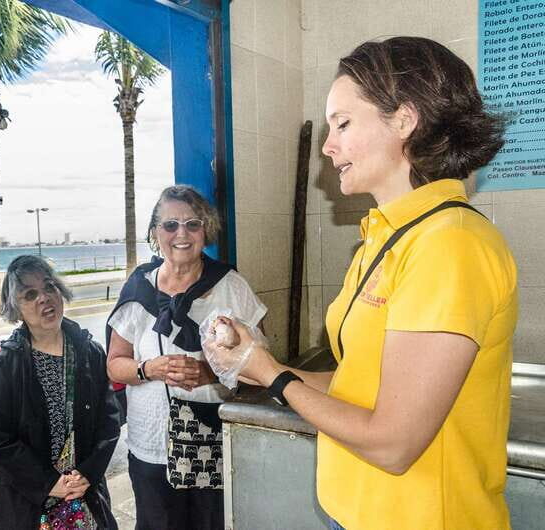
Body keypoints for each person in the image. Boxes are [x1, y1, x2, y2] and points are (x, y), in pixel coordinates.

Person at [205, 37, 517, 530]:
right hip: (353, 512)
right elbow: (358, 386)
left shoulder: (450, 245)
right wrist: (257, 363)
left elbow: (394, 444)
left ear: (404, 121)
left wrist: (273, 377)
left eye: (343, 123)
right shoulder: (384, 238)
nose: (328, 147)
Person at [106, 185, 267, 530]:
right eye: (170, 225)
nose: (181, 233)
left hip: (211, 440)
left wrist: (209, 373)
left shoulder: (231, 285)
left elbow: (263, 358)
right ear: (155, 233)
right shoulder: (138, 288)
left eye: (193, 224)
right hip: (150, 446)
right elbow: (115, 363)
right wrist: (147, 369)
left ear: (206, 230)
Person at [0, 255, 120, 529]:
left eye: (49, 287)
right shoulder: (4, 365)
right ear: (16, 309)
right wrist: (48, 483)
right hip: (29, 504)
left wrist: (88, 474)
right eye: (29, 294)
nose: (43, 298)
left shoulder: (89, 352)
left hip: (85, 495)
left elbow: (109, 421)